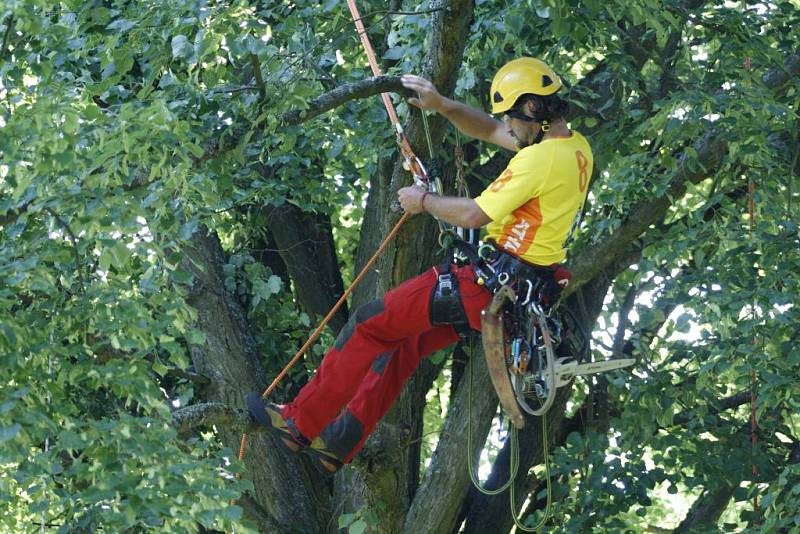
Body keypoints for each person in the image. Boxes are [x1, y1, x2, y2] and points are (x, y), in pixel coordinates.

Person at [246, 58, 593, 474]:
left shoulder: (537, 161)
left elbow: (474, 214)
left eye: (512, 117)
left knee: (368, 324)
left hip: (487, 284)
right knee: (404, 343)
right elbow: (489, 129)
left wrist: (422, 202)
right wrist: (442, 104)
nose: (508, 127)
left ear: (534, 109)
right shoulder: (574, 147)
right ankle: (339, 441)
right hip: (516, 294)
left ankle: (298, 423)